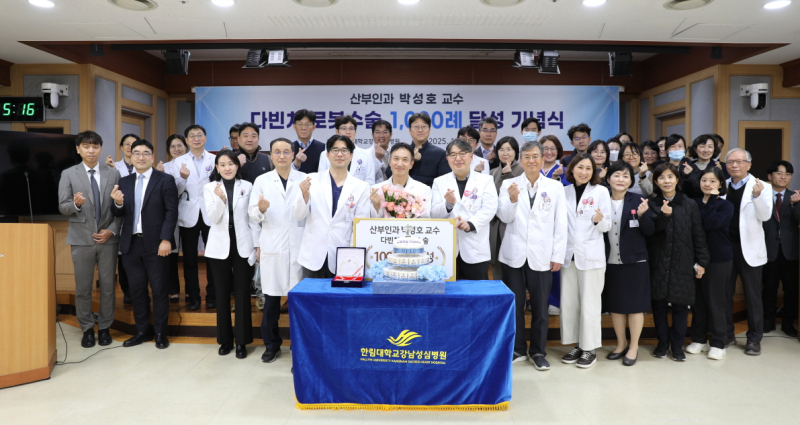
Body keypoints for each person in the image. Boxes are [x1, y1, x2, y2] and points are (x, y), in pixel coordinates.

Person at [496, 139, 567, 371]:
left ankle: (538, 351)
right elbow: (504, 217)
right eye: (526, 157)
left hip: (542, 255)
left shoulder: (555, 187)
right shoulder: (509, 184)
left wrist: (557, 255)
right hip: (514, 254)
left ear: (543, 158)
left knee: (540, 307)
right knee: (515, 305)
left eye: (535, 156)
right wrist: (512, 200)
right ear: (521, 160)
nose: (531, 161)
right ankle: (517, 349)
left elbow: (561, 224)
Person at [110, 139, 178, 349]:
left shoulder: (165, 180)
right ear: (131, 156)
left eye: (145, 153)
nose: (141, 157)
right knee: (137, 290)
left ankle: (160, 333)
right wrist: (117, 203)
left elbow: (171, 212)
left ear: (152, 157)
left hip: (157, 244)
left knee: (159, 289)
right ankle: (142, 331)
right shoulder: (124, 182)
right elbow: (118, 213)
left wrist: (166, 239)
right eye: (136, 153)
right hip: (131, 244)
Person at [58, 131, 122, 348]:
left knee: (108, 287)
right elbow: (63, 207)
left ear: (101, 149)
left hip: (108, 240)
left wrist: (111, 230)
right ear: (78, 149)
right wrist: (75, 204)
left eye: (95, 146)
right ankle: (86, 328)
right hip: (81, 238)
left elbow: (120, 207)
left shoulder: (113, 173)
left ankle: (104, 327)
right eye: (86, 146)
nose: (91, 150)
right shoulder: (69, 174)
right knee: (83, 287)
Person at [249, 138, 307, 363]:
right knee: (272, 299)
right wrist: (261, 210)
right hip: (272, 244)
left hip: (299, 244)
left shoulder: (304, 179)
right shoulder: (262, 181)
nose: (281, 156)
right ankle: (271, 345)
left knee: (297, 301)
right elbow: (252, 214)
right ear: (270, 155)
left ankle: (298, 347)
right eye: (277, 152)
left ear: (293, 154)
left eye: (286, 151)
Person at [646, 163, 710, 361]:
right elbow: (650, 233)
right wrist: (663, 217)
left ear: (677, 179)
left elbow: (698, 234)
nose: (666, 181)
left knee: (681, 306)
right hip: (658, 261)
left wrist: (702, 261)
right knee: (659, 305)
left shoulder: (689, 204)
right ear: (656, 182)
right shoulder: (651, 203)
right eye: (662, 177)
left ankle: (677, 345)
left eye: (670, 177)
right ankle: (662, 343)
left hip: (683, 261)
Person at [204, 150, 259, 359]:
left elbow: (252, 219)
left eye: (231, 164)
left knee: (243, 293)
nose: (227, 168)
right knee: (221, 293)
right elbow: (212, 218)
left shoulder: (248, 186)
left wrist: (257, 245)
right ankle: (225, 340)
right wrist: (220, 199)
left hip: (243, 243)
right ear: (217, 168)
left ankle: (242, 341)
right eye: (222, 164)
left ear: (237, 165)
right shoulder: (210, 188)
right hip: (219, 246)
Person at [294, 135, 372, 278]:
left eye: (344, 150)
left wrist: (352, 255)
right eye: (335, 150)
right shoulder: (312, 179)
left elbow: (360, 226)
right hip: (313, 255)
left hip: (344, 257)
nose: (340, 154)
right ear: (327, 154)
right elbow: (298, 215)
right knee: (311, 292)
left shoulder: (361, 187)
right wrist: (304, 196)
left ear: (351, 156)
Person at [560, 153, 612, 369]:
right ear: (572, 169)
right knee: (570, 304)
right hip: (568, 256)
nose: (584, 172)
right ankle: (578, 345)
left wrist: (599, 220)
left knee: (590, 304)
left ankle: (590, 349)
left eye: (588, 168)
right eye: (580, 167)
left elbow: (607, 225)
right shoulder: (563, 192)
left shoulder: (600, 191)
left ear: (594, 171)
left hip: (591, 257)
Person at [601, 161, 654, 366]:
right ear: (608, 179)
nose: (621, 179)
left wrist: (642, 216)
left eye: (625, 176)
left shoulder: (638, 200)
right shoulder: (601, 199)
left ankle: (634, 346)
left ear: (631, 181)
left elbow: (650, 231)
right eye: (616, 175)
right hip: (610, 261)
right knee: (616, 306)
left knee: (635, 307)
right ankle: (621, 344)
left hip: (635, 262)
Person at [724, 148, 772, 355]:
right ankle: (727, 334)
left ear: (749, 165)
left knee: (752, 296)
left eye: (740, 161)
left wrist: (757, 197)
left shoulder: (762, 186)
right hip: (725, 248)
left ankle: (754, 339)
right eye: (730, 162)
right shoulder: (722, 185)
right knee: (724, 294)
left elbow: (765, 216)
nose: (735, 165)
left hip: (750, 248)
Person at [430, 138, 498, 279]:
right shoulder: (439, 182)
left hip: (475, 249)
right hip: (447, 251)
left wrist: (470, 224)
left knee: (476, 290)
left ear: (471, 156)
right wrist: (448, 205)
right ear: (447, 159)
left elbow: (489, 209)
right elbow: (434, 214)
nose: (458, 158)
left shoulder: (486, 180)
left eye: (462, 154)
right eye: (453, 155)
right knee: (449, 291)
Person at [687, 167, 734, 360]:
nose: (707, 184)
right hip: (696, 258)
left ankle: (718, 343)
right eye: (704, 180)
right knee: (697, 302)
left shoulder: (725, 205)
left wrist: (712, 200)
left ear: (721, 184)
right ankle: (698, 339)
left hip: (718, 259)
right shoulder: (693, 203)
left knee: (715, 302)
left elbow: (710, 224)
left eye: (713, 181)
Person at [170, 125, 217, 311]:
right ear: (187, 140)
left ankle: (212, 296)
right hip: (188, 214)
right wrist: (182, 178)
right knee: (189, 260)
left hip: (211, 214)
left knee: (212, 258)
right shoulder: (178, 161)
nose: (196, 139)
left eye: (199, 135)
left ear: (205, 138)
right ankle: (193, 297)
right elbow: (174, 191)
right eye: (192, 136)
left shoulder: (215, 159)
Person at [762, 160, 799, 337]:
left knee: (791, 290)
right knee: (769, 288)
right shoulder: (761, 196)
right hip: (768, 250)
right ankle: (767, 321)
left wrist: (794, 205)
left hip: (790, 251)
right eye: (779, 173)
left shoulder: (796, 196)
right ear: (770, 176)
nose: (784, 177)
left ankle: (788, 323)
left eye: (788, 174)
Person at [105, 133, 139, 304]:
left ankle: (139, 290)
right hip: (119, 214)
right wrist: (112, 170)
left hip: (138, 216)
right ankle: (127, 291)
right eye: (127, 144)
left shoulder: (143, 165)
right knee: (123, 256)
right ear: (121, 147)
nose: (130, 147)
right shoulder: (113, 166)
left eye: (134, 144)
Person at [155, 134, 188, 303]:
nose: (177, 149)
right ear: (168, 150)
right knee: (171, 256)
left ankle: (191, 292)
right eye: (173, 146)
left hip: (190, 215)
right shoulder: (163, 167)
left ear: (186, 146)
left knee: (190, 256)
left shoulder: (193, 165)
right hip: (170, 215)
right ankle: (173, 290)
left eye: (180, 145)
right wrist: (159, 176)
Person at [489, 136, 523, 281]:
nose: (505, 153)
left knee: (512, 263)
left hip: (512, 222)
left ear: (515, 152)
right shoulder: (493, 172)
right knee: (495, 262)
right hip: (494, 223)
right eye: (501, 150)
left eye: (509, 149)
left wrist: (508, 175)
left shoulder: (522, 170)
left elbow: (518, 196)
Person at [387, 112, 450, 186]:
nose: (420, 130)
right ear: (410, 130)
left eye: (424, 127)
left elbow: (444, 181)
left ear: (429, 130)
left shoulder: (440, 154)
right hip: (402, 192)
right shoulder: (401, 152)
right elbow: (389, 174)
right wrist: (411, 159)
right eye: (416, 126)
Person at [370, 143, 431, 218]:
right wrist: (376, 207)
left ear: (411, 164)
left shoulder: (424, 190)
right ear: (389, 161)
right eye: (396, 159)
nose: (399, 164)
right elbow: (368, 221)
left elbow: (426, 220)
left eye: (405, 160)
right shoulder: (376, 190)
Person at [318, 115, 376, 185]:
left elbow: (370, 182)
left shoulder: (366, 155)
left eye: (351, 129)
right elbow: (322, 179)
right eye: (344, 128)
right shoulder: (325, 154)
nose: (348, 132)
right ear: (337, 131)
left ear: (355, 132)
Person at [292, 109, 326, 174]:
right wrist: (296, 163)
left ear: (314, 127)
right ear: (294, 127)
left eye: (307, 124)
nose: (303, 128)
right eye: (300, 124)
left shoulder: (323, 148)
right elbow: (284, 172)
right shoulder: (289, 148)